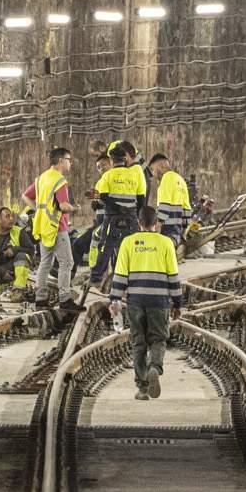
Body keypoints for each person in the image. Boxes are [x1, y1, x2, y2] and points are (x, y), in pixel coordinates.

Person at [108, 206, 184, 400]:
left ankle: (142, 388)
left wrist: (115, 301)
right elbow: (173, 277)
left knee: (138, 342)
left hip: (135, 301)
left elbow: (120, 275)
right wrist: (177, 304)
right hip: (159, 300)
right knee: (158, 339)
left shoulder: (128, 242)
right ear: (156, 223)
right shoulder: (166, 243)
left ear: (139, 222)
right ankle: (155, 368)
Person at [87, 142, 148, 290]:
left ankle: (95, 278)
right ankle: (130, 279)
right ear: (125, 160)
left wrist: (116, 207)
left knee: (105, 247)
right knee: (129, 249)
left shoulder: (107, 176)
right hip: (132, 220)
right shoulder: (134, 175)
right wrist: (133, 214)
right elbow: (140, 200)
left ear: (112, 161)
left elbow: (104, 199)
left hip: (113, 219)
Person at [31, 146, 75, 303]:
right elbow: (63, 206)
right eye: (69, 160)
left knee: (45, 263)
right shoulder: (59, 180)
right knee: (67, 262)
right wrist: (75, 208)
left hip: (43, 226)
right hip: (57, 226)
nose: (70, 163)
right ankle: (65, 299)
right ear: (61, 161)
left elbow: (27, 196)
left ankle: (40, 298)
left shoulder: (41, 178)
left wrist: (38, 210)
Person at [150, 152, 194, 247]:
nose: (153, 174)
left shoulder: (166, 178)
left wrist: (158, 225)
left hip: (166, 229)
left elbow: (164, 205)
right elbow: (187, 209)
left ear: (160, 166)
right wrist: (184, 231)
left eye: (153, 169)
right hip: (177, 229)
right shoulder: (181, 180)